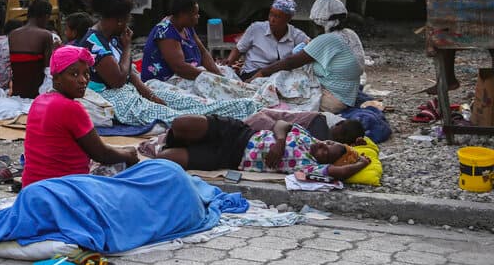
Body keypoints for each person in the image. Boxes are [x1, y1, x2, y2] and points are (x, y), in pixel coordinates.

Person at [22, 46, 138, 188]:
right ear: (57, 78)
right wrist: (129, 155)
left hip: (31, 188)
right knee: (128, 168)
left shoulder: (39, 101)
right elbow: (102, 154)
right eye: (74, 74)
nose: (83, 80)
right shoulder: (70, 108)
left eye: (86, 73)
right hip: (64, 190)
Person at [154, 114, 372, 182]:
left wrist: (362, 162)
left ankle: (181, 143)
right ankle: (181, 137)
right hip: (237, 133)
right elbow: (281, 124)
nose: (323, 146)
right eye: (329, 143)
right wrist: (279, 142)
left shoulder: (308, 166)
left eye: (326, 153)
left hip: (227, 157)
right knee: (180, 124)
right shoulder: (308, 137)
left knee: (166, 158)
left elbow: (340, 172)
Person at [252, 0, 365, 112]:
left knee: (283, 79)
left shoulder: (327, 39)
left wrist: (262, 72)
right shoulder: (350, 34)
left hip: (332, 100)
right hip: (347, 96)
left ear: (319, 22)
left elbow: (290, 62)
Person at [142, 0, 223, 82]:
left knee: (225, 72)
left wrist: (219, 75)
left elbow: (203, 53)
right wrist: (210, 77)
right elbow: (179, 67)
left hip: (188, 74)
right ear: (182, 15)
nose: (198, 16)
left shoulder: (187, 28)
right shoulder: (165, 32)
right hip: (166, 80)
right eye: (195, 14)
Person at [225, 0, 310, 81]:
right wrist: (227, 65)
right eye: (271, 14)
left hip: (279, 76)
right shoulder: (256, 29)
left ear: (288, 19)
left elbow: (311, 47)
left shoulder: (296, 35)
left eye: (277, 17)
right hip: (252, 74)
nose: (272, 19)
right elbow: (238, 49)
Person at [8, 0, 58, 98]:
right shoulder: (46, 35)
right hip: (36, 92)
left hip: (17, 92)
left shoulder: (12, 34)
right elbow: (48, 68)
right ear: (46, 16)